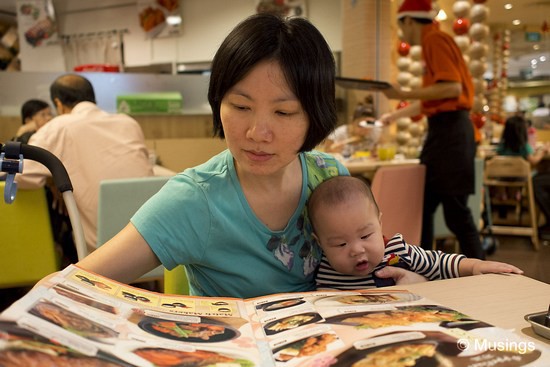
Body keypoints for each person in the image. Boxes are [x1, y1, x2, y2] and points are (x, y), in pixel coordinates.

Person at [72, 13, 426, 300]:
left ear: (314, 115)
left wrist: (407, 282)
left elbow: (368, 262)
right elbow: (74, 284)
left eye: (284, 113)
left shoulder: (329, 175)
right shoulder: (196, 199)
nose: (257, 133)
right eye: (240, 106)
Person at [379, 0, 484, 259]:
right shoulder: (434, 42)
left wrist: (402, 92)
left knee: (455, 213)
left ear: (409, 21)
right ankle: (424, 267)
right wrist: (394, 115)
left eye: (400, 26)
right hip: (446, 131)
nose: (401, 33)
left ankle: (483, 272)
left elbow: (452, 88)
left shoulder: (434, 40)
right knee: (425, 206)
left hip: (451, 133)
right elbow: (433, 99)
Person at [15, 74, 154, 254]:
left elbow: (20, 175)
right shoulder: (128, 123)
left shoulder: (58, 127)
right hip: (151, 242)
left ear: (58, 103)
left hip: (102, 252)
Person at [308, 176, 523, 290]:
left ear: (380, 224)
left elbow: (439, 263)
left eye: (365, 236)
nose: (356, 249)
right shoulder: (325, 269)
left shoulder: (396, 253)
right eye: (340, 244)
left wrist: (476, 266)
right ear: (321, 244)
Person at [496, 115, 550, 239]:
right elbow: (534, 161)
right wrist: (542, 151)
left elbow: (496, 155)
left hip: (502, 178)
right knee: (531, 176)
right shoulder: (523, 146)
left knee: (504, 176)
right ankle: (517, 195)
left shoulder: (502, 146)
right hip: (521, 178)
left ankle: (503, 195)